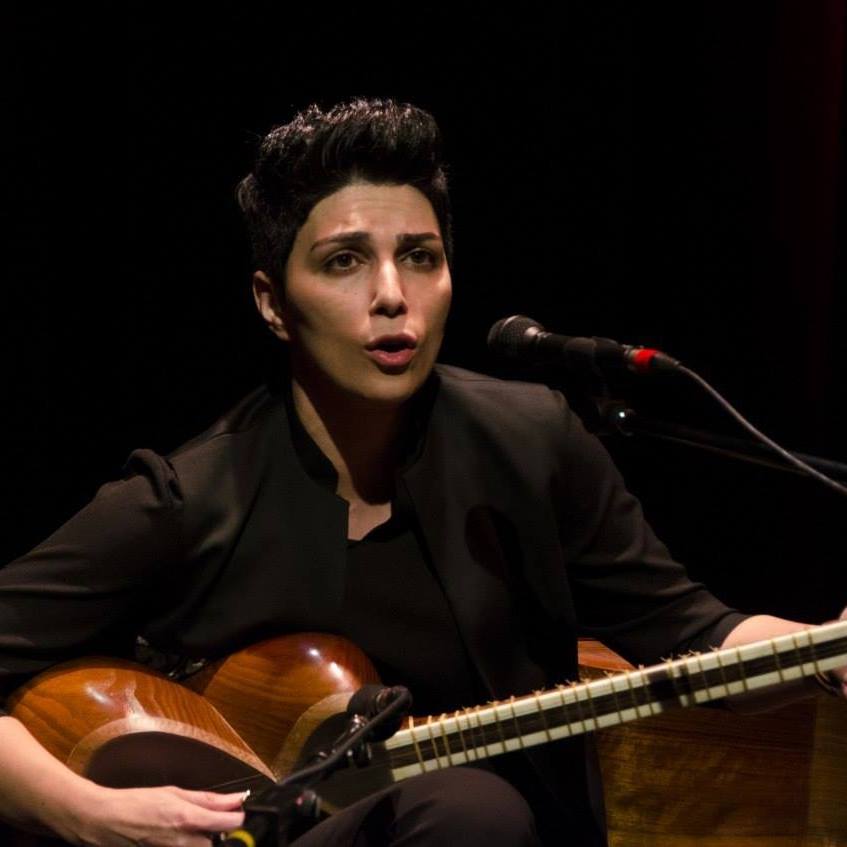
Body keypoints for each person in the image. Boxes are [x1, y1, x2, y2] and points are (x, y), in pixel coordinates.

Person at [0, 98, 844, 847]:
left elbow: (696, 630)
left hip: (516, 830)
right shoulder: (189, 494)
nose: (392, 294)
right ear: (270, 301)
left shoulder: (529, 443)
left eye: (420, 257)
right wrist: (81, 808)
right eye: (344, 262)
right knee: (469, 810)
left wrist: (824, 651)